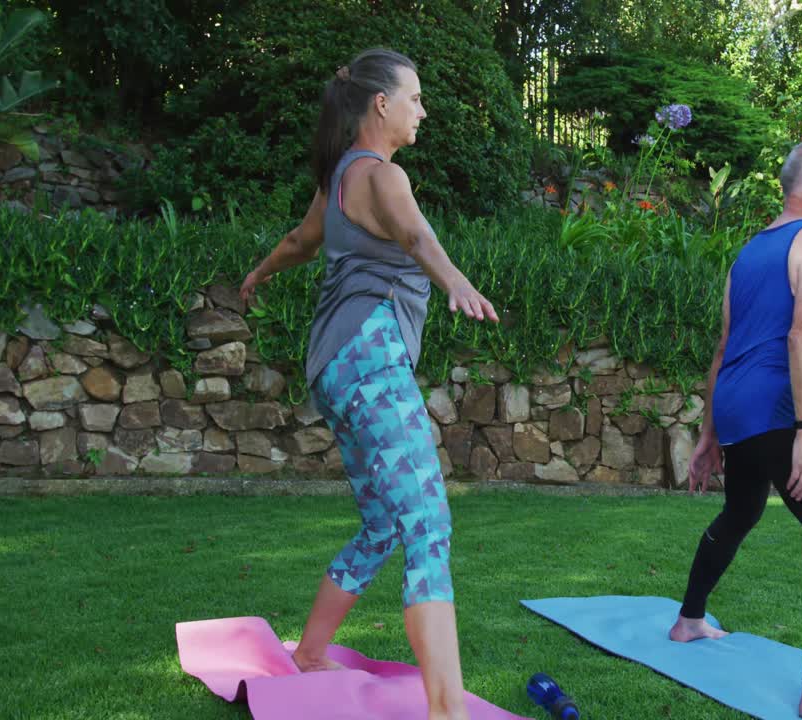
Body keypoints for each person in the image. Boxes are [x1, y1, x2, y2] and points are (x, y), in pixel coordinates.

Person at [239, 48, 497, 720]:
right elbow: (413, 235)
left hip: (333, 367)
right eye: (415, 97)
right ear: (380, 104)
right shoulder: (382, 174)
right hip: (372, 358)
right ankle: (448, 712)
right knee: (429, 523)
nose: (423, 109)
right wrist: (457, 281)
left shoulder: (338, 176)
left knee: (383, 521)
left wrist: (259, 273)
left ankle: (312, 653)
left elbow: (301, 241)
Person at [669, 140, 802, 719]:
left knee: (741, 513)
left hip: (739, 410)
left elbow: (724, 347)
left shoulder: (750, 253)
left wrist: (711, 432)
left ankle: (689, 620)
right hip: (780, 413)